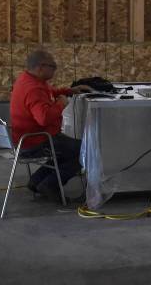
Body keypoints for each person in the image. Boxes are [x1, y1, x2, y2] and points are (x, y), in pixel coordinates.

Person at [9, 50, 92, 200]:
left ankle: (37, 181)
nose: (55, 69)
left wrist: (68, 91)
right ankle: (50, 185)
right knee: (86, 150)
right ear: (41, 67)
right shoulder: (33, 88)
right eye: (53, 66)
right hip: (36, 141)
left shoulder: (28, 80)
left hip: (28, 139)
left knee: (67, 149)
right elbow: (44, 118)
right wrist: (61, 104)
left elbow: (47, 92)